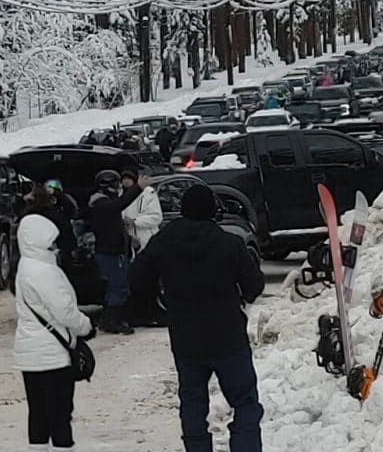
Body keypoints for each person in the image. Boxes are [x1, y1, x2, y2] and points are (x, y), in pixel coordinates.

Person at [130, 183, 265, 452]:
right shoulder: (230, 243)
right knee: (245, 401)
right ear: (213, 211)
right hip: (228, 337)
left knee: (192, 404)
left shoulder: (164, 242)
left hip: (186, 338)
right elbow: (254, 287)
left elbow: (136, 278)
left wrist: (161, 298)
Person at [14, 213, 95, 452]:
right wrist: (85, 325)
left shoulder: (25, 265)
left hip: (29, 353)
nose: (55, 246)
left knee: (38, 413)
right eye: (51, 241)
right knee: (60, 415)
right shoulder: (44, 271)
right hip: (52, 353)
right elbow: (65, 312)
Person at [88, 168, 143, 334]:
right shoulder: (102, 204)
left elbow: (114, 224)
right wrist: (137, 188)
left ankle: (113, 318)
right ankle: (111, 321)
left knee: (117, 286)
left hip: (115, 251)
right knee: (119, 287)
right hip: (110, 252)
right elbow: (119, 204)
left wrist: (128, 238)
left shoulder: (105, 204)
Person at [121, 169, 163, 254]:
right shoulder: (120, 195)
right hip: (129, 239)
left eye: (128, 178)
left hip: (146, 237)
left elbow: (157, 217)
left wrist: (135, 222)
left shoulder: (148, 193)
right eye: (124, 179)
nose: (126, 181)